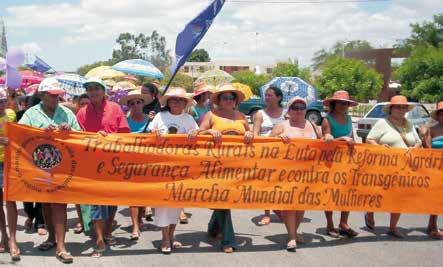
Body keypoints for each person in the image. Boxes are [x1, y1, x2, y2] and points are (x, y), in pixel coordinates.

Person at [19, 78, 81, 263]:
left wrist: (69, 130)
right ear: (42, 95)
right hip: (39, 165)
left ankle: (61, 247)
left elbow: (80, 134)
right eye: (52, 96)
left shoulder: (66, 113)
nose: (56, 99)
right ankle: (51, 239)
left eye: (58, 96)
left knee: (59, 203)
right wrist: (40, 132)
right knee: (46, 203)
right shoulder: (31, 114)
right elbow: (19, 133)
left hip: (62, 166)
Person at [197, 83, 253, 253]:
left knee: (225, 199)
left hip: (237, 165)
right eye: (225, 98)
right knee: (224, 199)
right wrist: (209, 133)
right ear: (219, 100)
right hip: (216, 165)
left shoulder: (242, 116)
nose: (229, 100)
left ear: (236, 101)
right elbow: (198, 133)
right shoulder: (211, 115)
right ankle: (228, 240)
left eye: (231, 97)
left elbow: (250, 137)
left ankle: (214, 227)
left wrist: (250, 135)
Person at [76, 78, 130, 257]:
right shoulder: (82, 112)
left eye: (96, 89)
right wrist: (94, 137)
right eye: (89, 89)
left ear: (103, 91)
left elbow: (125, 135)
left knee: (112, 201)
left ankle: (107, 231)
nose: (92, 92)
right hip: (91, 164)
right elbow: (77, 138)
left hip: (114, 163)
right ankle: (99, 239)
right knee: (96, 202)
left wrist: (109, 138)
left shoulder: (115, 108)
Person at [148, 87, 198, 254]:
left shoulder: (189, 119)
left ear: (185, 103)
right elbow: (148, 135)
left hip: (181, 168)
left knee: (176, 204)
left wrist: (194, 134)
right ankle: (164, 238)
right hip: (161, 168)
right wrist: (154, 134)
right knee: (162, 204)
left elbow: (197, 135)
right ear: (168, 102)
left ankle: (171, 235)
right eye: (174, 99)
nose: (177, 102)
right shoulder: (159, 117)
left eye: (180, 100)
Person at [364, 95, 421, 238]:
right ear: (391, 109)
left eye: (403, 107)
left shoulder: (409, 124)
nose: (401, 109)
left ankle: (393, 227)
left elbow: (418, 141)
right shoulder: (382, 123)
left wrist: (415, 147)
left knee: (399, 197)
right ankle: (370, 212)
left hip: (405, 168)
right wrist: (380, 147)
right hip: (385, 167)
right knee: (379, 194)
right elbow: (370, 139)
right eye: (398, 107)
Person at [270, 96, 321, 251]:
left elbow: (324, 142)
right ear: (289, 110)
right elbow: (266, 145)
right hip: (287, 172)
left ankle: (295, 231)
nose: (299, 111)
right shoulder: (281, 126)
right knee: (290, 205)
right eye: (295, 108)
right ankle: (292, 236)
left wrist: (329, 137)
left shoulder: (313, 125)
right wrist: (277, 139)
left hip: (309, 173)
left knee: (301, 206)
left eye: (302, 108)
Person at [322, 90, 359, 238]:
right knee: (331, 193)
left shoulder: (349, 119)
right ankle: (330, 224)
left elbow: (353, 139)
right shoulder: (327, 120)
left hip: (347, 162)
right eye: (341, 103)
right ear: (334, 104)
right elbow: (326, 142)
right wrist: (342, 138)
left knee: (347, 193)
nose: (344, 106)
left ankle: (344, 223)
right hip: (331, 162)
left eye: (346, 103)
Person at [252, 86, 286, 226]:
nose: (267, 97)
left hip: (283, 155)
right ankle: (267, 214)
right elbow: (255, 133)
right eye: (266, 95)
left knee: (281, 184)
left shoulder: (286, 113)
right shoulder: (260, 114)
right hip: (265, 154)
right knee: (266, 184)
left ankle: (280, 208)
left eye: (270, 95)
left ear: (278, 97)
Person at [120, 89, 150, 240]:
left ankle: (140, 218)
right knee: (133, 195)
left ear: (143, 104)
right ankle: (135, 226)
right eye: (132, 103)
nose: (136, 105)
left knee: (143, 194)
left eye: (139, 102)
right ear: (129, 106)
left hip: (147, 162)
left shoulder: (150, 119)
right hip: (130, 162)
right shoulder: (125, 120)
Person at [420, 101, 443, 240]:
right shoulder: (432, 130)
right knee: (437, 197)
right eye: (442, 113)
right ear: (438, 115)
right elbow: (427, 149)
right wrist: (424, 135)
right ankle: (432, 225)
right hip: (437, 168)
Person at [0, 88, 18, 260]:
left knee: (11, 201)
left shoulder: (12, 114)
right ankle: (3, 236)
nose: (0, 104)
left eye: (3, 101)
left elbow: (22, 134)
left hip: (10, 163)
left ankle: (12, 240)